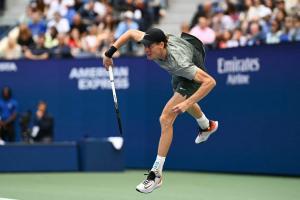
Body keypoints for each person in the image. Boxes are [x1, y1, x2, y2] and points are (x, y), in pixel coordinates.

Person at [103, 28, 219, 193]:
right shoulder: (156, 46)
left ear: (162, 44)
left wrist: (187, 104)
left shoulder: (181, 64)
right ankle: (206, 125)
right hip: (186, 47)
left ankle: (156, 174)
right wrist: (109, 54)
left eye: (150, 46)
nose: (146, 50)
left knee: (166, 118)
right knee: (179, 98)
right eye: (145, 46)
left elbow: (210, 82)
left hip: (192, 58)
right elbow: (130, 33)